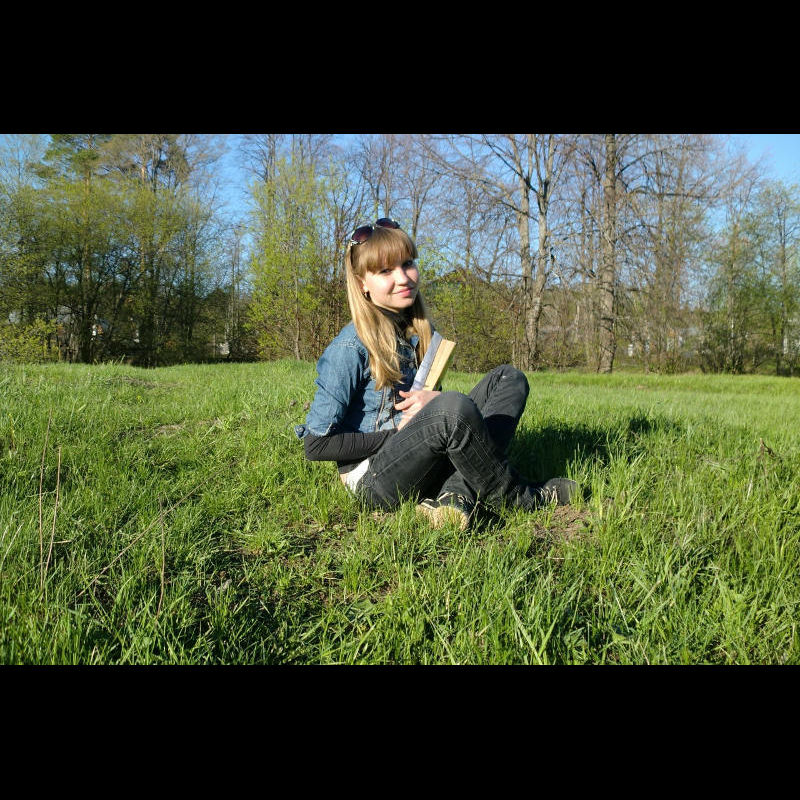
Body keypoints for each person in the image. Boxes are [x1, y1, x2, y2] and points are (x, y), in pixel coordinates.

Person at [294, 218, 577, 530]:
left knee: (508, 379)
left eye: (407, 264)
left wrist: (433, 405)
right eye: (385, 271)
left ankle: (453, 494)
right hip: (372, 479)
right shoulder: (349, 347)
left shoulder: (419, 332)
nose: (403, 278)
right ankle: (521, 497)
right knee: (453, 409)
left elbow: (437, 418)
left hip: (418, 459)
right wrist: (401, 432)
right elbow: (316, 446)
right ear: (363, 283)